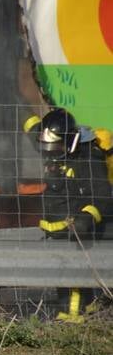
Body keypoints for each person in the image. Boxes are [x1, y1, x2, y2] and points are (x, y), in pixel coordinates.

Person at [25, 107, 112, 322]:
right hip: (57, 228)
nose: (49, 152)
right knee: (62, 273)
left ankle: (74, 321)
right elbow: (31, 125)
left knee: (73, 276)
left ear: (70, 141)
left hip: (77, 229)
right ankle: (83, 311)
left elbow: (103, 196)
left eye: (55, 147)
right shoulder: (52, 146)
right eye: (46, 147)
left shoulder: (88, 159)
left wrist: (86, 218)